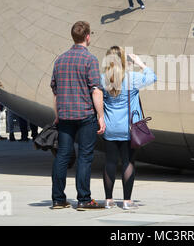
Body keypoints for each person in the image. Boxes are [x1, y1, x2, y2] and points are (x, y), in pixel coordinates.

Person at [50, 21, 106, 210]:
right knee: (85, 156)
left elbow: (56, 92)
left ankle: (58, 199)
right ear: (88, 37)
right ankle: (84, 199)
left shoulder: (60, 60)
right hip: (85, 115)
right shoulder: (90, 60)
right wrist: (101, 115)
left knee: (62, 156)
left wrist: (57, 115)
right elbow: (96, 91)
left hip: (65, 116)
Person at [101, 47, 156, 210]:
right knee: (128, 162)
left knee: (110, 162)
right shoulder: (132, 78)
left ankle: (108, 200)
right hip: (129, 128)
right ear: (124, 61)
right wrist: (140, 63)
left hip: (109, 127)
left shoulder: (103, 79)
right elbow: (153, 77)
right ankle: (127, 201)